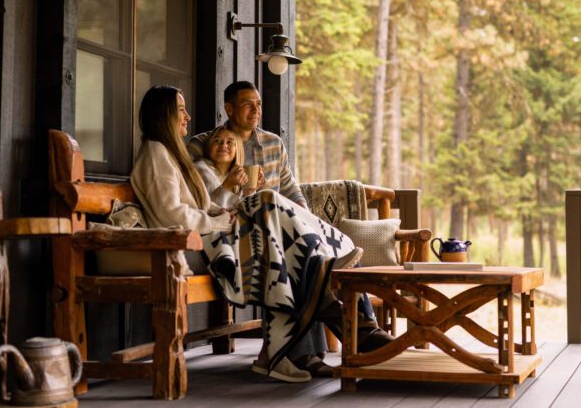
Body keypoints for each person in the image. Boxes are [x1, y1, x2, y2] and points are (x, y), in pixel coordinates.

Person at [131, 85, 366, 383]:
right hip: (200, 243)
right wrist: (224, 217)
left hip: (225, 233)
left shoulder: (171, 153)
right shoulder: (167, 152)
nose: (187, 117)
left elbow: (208, 205)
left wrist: (301, 217)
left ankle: (304, 332)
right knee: (272, 214)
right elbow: (174, 215)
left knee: (285, 238)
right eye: (180, 110)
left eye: (258, 104)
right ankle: (325, 315)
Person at [188, 81, 388, 376]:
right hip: (239, 232)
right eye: (247, 104)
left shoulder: (272, 143)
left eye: (258, 103)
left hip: (279, 232)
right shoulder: (204, 144)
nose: (256, 109)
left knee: (301, 251)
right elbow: (196, 196)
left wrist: (307, 220)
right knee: (300, 254)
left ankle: (333, 342)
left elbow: (291, 189)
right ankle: (357, 334)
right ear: (228, 108)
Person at [193, 126, 261, 209]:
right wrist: (228, 185)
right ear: (209, 147)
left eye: (229, 142)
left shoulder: (235, 177)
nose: (223, 145)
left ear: (238, 150)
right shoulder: (200, 170)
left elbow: (244, 213)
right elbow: (208, 209)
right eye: (217, 141)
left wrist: (249, 191)